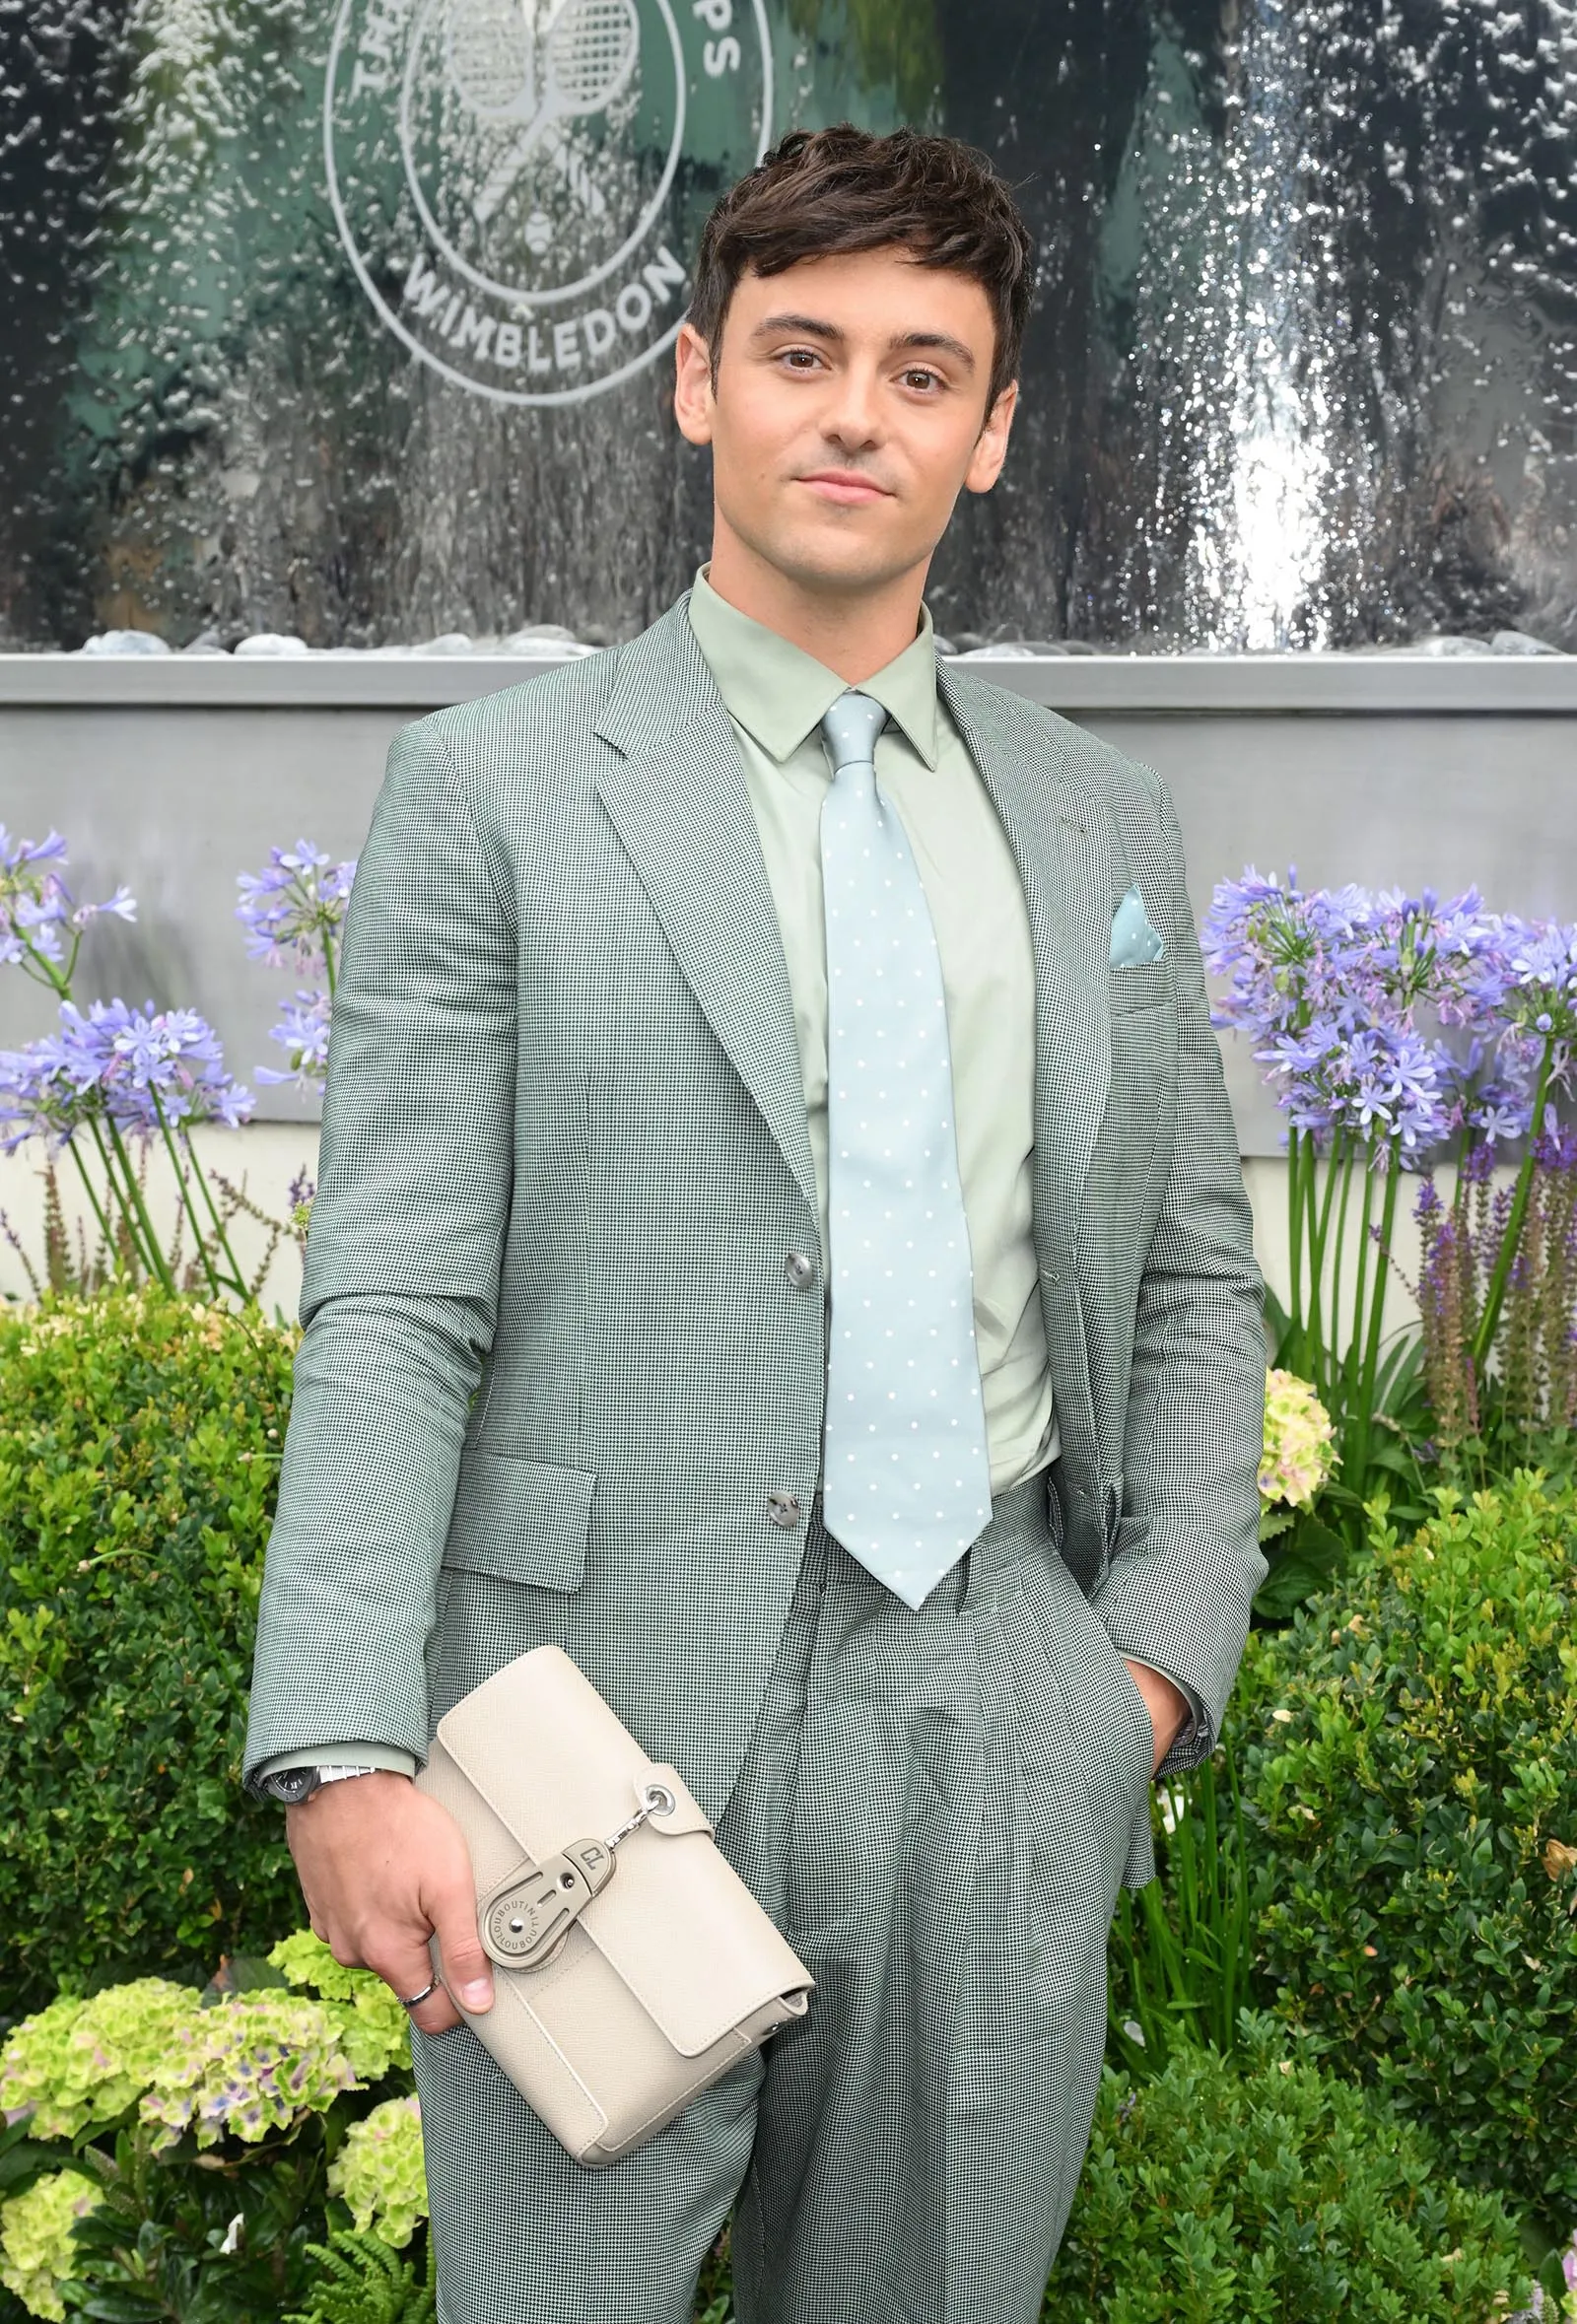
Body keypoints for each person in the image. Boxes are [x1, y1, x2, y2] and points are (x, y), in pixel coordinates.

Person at [245, 122, 1267, 2324]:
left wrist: (1141, 1674)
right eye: (801, 353)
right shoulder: (494, 792)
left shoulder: (1101, 819)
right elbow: (395, 1294)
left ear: (991, 432)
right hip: (581, 1713)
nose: (855, 413)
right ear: (699, 382)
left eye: (922, 371)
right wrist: (341, 1741)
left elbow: (1190, 1272)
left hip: (996, 1695)